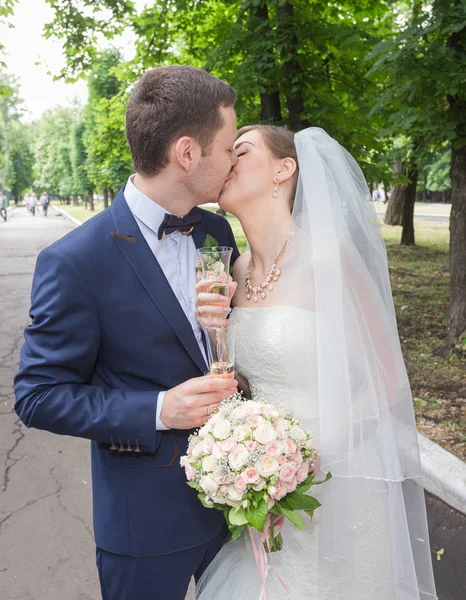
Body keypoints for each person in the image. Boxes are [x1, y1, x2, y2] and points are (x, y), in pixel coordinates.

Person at [14, 65, 240, 600]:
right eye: (229, 147)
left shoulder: (215, 231)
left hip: (235, 505)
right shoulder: (75, 260)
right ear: (188, 153)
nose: (234, 160)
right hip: (145, 526)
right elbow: (38, 395)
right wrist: (159, 409)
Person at [194, 126, 438, 599]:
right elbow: (245, 378)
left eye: (240, 152)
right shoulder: (236, 270)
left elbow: (388, 385)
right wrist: (215, 339)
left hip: (336, 480)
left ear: (283, 171)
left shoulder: (331, 260)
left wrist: (306, 460)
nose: (227, 162)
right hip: (261, 479)